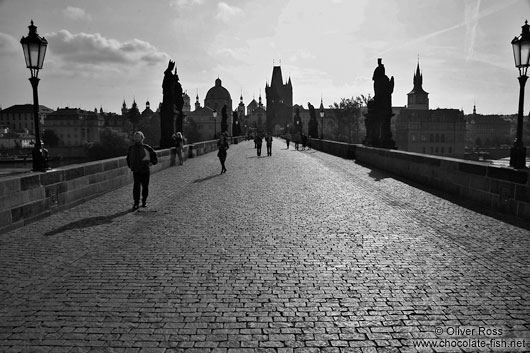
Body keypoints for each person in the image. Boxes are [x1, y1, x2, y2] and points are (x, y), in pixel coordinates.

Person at [126, 131, 158, 210]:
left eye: (138, 137)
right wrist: (131, 166)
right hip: (136, 170)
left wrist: (152, 163)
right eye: (135, 137)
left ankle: (144, 201)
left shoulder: (146, 147)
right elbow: (128, 158)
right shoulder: (131, 148)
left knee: (145, 187)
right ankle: (136, 203)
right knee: (136, 187)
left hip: (145, 170)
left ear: (142, 138)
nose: (137, 138)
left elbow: (154, 156)